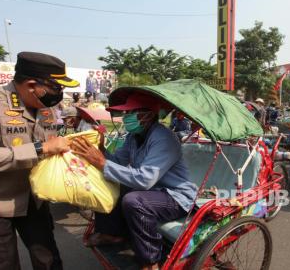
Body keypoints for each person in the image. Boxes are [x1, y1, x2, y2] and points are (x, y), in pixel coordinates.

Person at [0, 51, 79, 269]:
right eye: (56, 88)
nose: (60, 94)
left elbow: (53, 141)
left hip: (32, 197)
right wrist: (42, 148)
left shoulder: (48, 106)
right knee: (3, 264)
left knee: (48, 260)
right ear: (31, 85)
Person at [71, 93, 197, 270]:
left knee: (134, 200)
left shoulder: (164, 138)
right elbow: (118, 163)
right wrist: (100, 150)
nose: (126, 117)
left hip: (175, 196)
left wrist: (102, 162)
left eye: (131, 112)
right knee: (106, 179)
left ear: (149, 114)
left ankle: (150, 261)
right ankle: (111, 233)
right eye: (126, 113)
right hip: (152, 191)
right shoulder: (133, 137)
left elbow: (144, 179)